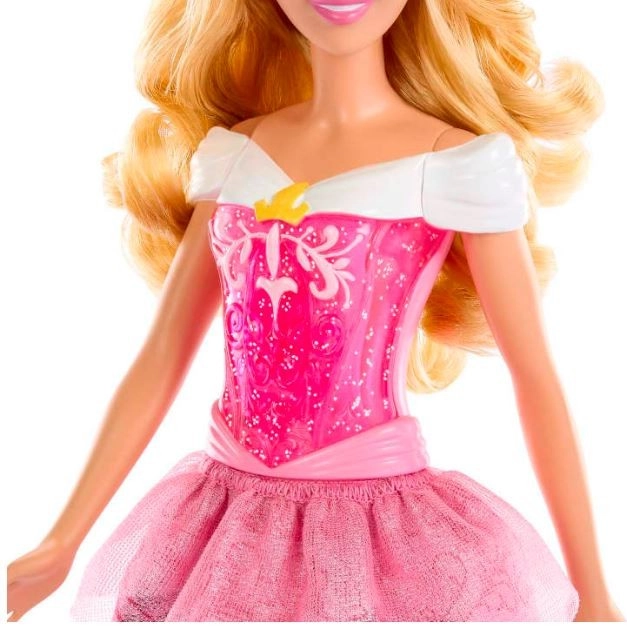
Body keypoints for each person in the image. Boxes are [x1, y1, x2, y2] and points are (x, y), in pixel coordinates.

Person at [7, 0, 624, 621]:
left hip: (373, 526)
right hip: (226, 524)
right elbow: (161, 356)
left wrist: (593, 593)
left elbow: (535, 377)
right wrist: (61, 542)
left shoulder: (453, 163)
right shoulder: (237, 153)